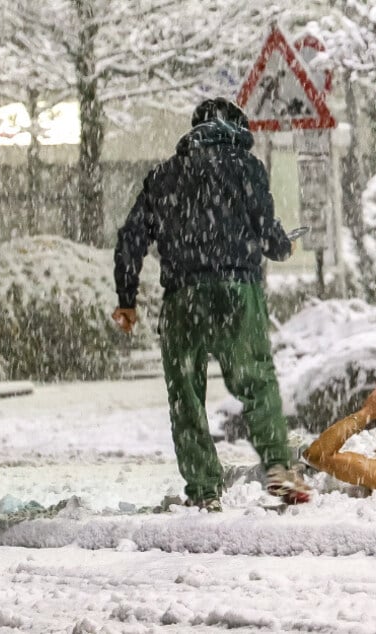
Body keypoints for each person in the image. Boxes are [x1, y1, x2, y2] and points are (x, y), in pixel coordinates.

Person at [112, 97, 311, 511]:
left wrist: (126, 299)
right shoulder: (247, 167)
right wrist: (282, 247)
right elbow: (265, 227)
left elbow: (131, 239)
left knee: (185, 394)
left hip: (183, 297)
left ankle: (204, 489)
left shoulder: (163, 175)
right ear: (237, 130)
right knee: (256, 379)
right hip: (237, 290)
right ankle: (277, 466)